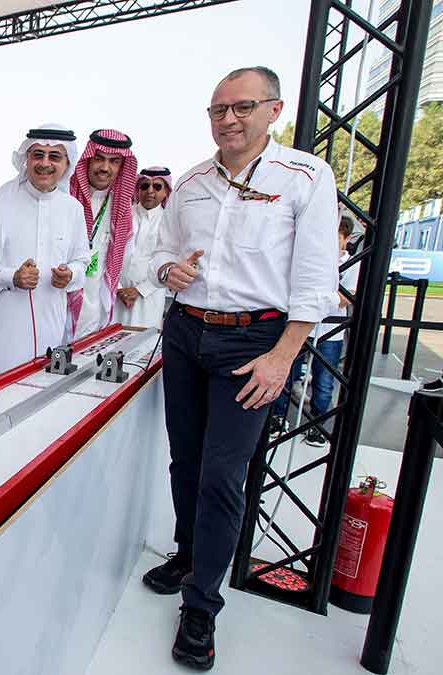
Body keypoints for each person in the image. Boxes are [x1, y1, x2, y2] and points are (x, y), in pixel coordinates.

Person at [143, 66, 339, 670]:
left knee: (224, 475)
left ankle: (201, 604)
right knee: (186, 458)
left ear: (273, 110)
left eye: (241, 107)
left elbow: (315, 280)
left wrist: (283, 356)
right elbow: (159, 251)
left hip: (252, 344)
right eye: (217, 109)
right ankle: (187, 554)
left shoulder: (306, 176)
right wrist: (165, 272)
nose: (228, 119)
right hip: (184, 333)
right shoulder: (193, 180)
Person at [0, 125, 90, 385]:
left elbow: (82, 261)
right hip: (0, 334)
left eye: (54, 156)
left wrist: (70, 275)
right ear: (26, 159)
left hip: (50, 330)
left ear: (66, 163)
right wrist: (11, 276)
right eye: (38, 155)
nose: (45, 163)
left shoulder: (73, 209)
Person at [268, 213, 360, 445]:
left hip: (331, 331)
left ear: (346, 238)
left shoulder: (352, 264)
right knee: (286, 373)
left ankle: (317, 425)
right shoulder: (314, 260)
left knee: (324, 380)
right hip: (300, 328)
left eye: (336, 236)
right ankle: (278, 418)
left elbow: (346, 297)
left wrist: (316, 299)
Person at [69, 129, 138, 340]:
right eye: (99, 159)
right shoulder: (66, 197)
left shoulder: (122, 210)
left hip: (95, 311)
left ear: (122, 166)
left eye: (114, 161)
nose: (105, 168)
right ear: (88, 160)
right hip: (59, 308)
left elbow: (124, 260)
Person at [115, 166, 172, 329]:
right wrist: (119, 288)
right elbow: (108, 253)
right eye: (145, 186)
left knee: (142, 347)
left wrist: (139, 290)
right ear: (137, 189)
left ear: (166, 191)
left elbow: (170, 262)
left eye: (157, 186)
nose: (150, 191)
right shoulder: (122, 215)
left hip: (149, 298)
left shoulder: (171, 222)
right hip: (115, 295)